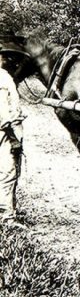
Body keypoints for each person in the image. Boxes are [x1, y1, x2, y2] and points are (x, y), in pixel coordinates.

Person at [0, 43, 24, 225]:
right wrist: (14, 137)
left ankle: (10, 210)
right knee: (8, 172)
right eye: (4, 56)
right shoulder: (2, 78)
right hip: (5, 131)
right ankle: (7, 217)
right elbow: (3, 112)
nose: (8, 60)